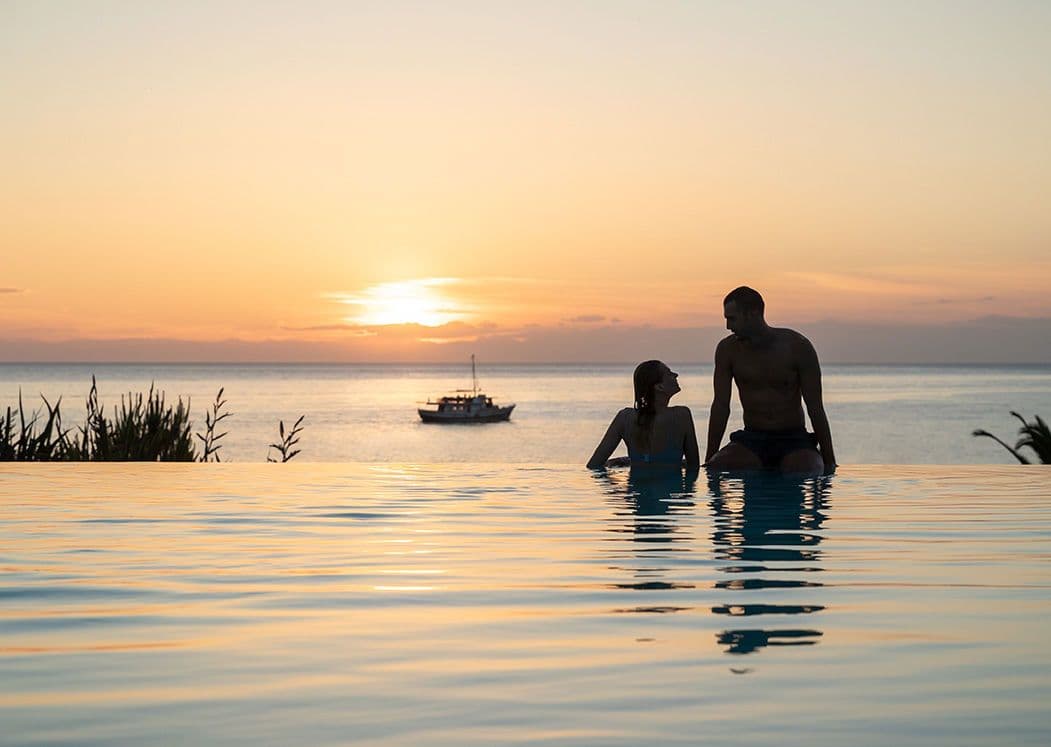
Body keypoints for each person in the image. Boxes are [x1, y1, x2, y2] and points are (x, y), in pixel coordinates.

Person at [705, 286, 836, 473]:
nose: (728, 326)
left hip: (794, 439)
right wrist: (709, 459)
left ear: (753, 314)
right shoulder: (727, 350)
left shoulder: (798, 347)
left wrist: (830, 462)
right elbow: (720, 406)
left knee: (805, 470)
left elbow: (815, 407)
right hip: (753, 438)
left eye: (732, 319)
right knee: (718, 466)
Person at [587, 360, 700, 469]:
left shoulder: (625, 418)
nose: (676, 375)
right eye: (669, 373)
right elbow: (694, 466)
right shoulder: (682, 415)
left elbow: (594, 465)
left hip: (636, 482)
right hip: (672, 483)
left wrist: (629, 461)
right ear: (659, 387)